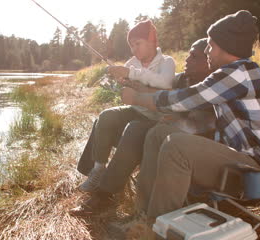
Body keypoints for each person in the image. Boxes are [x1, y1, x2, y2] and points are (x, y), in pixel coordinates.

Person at [116, 10, 260, 240]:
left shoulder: (239, 72)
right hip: (237, 159)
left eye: (211, 45)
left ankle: (154, 239)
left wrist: (138, 97)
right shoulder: (236, 73)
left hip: (257, 173)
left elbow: (187, 99)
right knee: (159, 133)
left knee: (176, 145)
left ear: (227, 47)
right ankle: (143, 218)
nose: (207, 51)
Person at [75, 38, 215, 214]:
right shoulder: (181, 79)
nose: (187, 60)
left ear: (209, 60)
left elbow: (201, 123)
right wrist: (134, 86)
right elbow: (161, 95)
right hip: (161, 127)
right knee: (105, 119)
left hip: (185, 144)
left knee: (135, 129)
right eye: (188, 55)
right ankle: (95, 174)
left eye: (194, 57)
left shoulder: (214, 87)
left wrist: (175, 119)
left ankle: (104, 195)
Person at [76, 20, 176, 193]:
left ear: (152, 41)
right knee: (106, 116)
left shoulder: (167, 62)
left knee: (131, 127)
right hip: (136, 110)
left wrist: (131, 73)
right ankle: (98, 169)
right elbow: (125, 92)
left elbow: (165, 83)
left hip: (156, 117)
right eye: (131, 45)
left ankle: (107, 183)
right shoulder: (133, 61)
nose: (134, 49)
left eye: (138, 43)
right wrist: (120, 81)